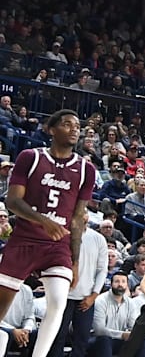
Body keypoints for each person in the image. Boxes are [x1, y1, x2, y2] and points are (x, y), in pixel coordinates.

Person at [0, 110, 96, 357]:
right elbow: (12, 201)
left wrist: (75, 261)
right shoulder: (30, 157)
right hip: (25, 239)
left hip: (58, 246)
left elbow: (76, 219)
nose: (75, 129)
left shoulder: (86, 169)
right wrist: (43, 220)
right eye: (67, 124)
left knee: (58, 302)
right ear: (51, 129)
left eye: (77, 126)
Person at [49, 211, 110, 357]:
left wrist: (94, 295)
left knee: (81, 340)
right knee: (57, 337)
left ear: (88, 218)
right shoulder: (62, 235)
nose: (83, 217)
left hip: (86, 298)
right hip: (63, 296)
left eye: (84, 214)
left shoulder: (98, 239)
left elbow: (102, 269)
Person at [89, 272, 145, 357]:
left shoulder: (130, 303)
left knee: (144, 342)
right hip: (98, 340)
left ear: (127, 285)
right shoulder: (101, 301)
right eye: (117, 281)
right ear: (111, 284)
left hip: (119, 341)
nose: (120, 284)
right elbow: (99, 330)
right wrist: (122, 335)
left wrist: (133, 334)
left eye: (123, 282)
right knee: (104, 340)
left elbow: (133, 326)